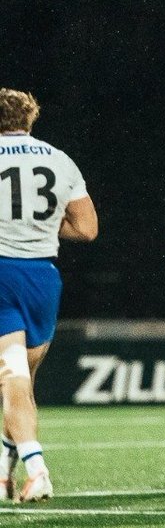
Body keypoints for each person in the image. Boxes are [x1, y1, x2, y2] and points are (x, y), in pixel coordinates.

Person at [0, 89, 97, 502]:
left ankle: (37, 470)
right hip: (42, 278)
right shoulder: (59, 159)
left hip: (1, 273)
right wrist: (40, 230)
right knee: (18, 382)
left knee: (13, 379)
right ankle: (4, 471)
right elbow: (87, 229)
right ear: (30, 118)